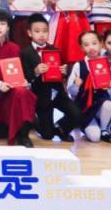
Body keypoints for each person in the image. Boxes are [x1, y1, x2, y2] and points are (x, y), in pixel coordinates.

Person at [0, 9, 38, 147]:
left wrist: (23, 81)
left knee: (22, 92)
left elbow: (20, 71)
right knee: (0, 133)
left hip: (14, 92)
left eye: (2, 24)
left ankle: (23, 135)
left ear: (8, 27)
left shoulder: (15, 48)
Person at [18, 13, 81, 142]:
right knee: (47, 135)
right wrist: (35, 72)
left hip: (57, 92)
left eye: (45, 31)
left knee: (77, 114)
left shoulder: (55, 49)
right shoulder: (25, 52)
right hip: (41, 96)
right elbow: (25, 76)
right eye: (37, 31)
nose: (41, 34)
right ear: (29, 33)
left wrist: (63, 72)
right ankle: (35, 120)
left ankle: (61, 128)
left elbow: (61, 72)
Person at [67, 29, 111, 143]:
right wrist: (76, 85)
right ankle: (87, 124)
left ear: (101, 44)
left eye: (94, 43)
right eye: (86, 45)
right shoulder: (78, 65)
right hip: (85, 108)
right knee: (95, 138)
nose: (91, 47)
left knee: (108, 103)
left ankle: (104, 129)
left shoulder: (106, 65)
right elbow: (71, 92)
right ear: (82, 48)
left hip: (102, 106)